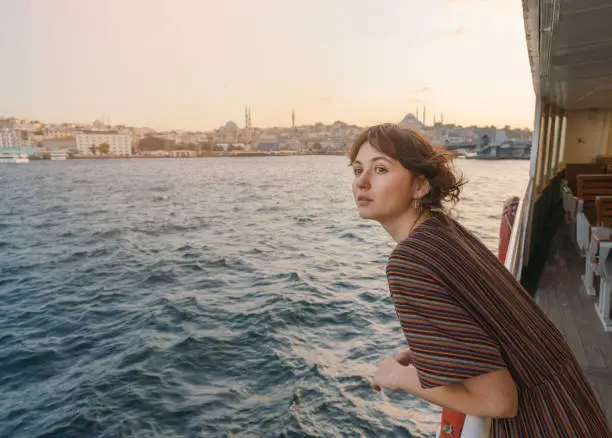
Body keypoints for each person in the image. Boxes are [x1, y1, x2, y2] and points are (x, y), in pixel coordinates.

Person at [350, 124, 611, 437]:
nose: (361, 183)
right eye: (357, 170)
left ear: (420, 185)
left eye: (379, 169)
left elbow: (499, 401)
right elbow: (493, 317)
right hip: (570, 404)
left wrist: (399, 377)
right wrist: (431, 351)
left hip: (541, 423)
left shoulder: (408, 262)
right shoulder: (442, 230)